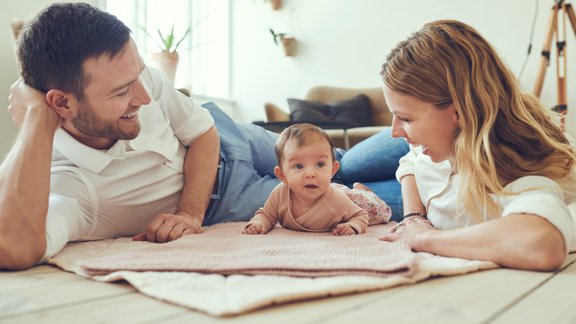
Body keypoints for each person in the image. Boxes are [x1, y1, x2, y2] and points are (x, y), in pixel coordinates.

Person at [0, 3, 408, 270]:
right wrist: (36, 115)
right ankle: (456, 178)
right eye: (122, 92)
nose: (144, 96)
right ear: (61, 103)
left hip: (226, 137)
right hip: (227, 197)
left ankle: (456, 131)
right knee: (365, 198)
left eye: (139, 75)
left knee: (341, 160)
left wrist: (188, 214)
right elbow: (12, 246)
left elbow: (202, 131)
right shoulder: (67, 185)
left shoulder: (138, 80)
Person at [378, 19, 576, 271]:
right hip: (421, 186)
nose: (394, 131)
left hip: (438, 190)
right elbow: (410, 160)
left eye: (405, 118)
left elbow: (542, 243)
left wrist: (422, 237)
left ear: (460, 112)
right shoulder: (435, 138)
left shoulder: (515, 172)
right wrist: (413, 216)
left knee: (335, 183)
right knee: (342, 167)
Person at [243, 124, 392, 235]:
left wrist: (352, 226)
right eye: (299, 166)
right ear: (282, 175)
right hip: (339, 193)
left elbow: (361, 215)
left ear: (333, 169)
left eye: (320, 164)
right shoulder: (280, 193)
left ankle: (365, 193)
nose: (310, 173)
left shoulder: (336, 200)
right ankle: (360, 188)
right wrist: (258, 223)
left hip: (355, 201)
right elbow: (267, 215)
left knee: (379, 210)